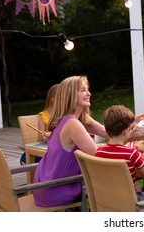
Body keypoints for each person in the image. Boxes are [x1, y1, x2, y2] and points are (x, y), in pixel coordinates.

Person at [33, 75, 108, 207]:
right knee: (110, 181)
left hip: (45, 187)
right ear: (70, 95)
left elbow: (107, 132)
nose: (89, 93)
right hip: (58, 189)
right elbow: (99, 155)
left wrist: (129, 126)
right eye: (83, 90)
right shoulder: (73, 124)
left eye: (87, 89)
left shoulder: (67, 120)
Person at [96, 105, 144, 207]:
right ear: (126, 131)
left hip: (109, 200)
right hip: (131, 202)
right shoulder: (131, 153)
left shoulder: (99, 152)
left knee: (139, 188)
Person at [19, 84, 59, 165]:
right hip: (43, 153)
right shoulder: (43, 116)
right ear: (53, 99)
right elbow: (40, 139)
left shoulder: (64, 115)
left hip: (57, 150)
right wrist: (44, 136)